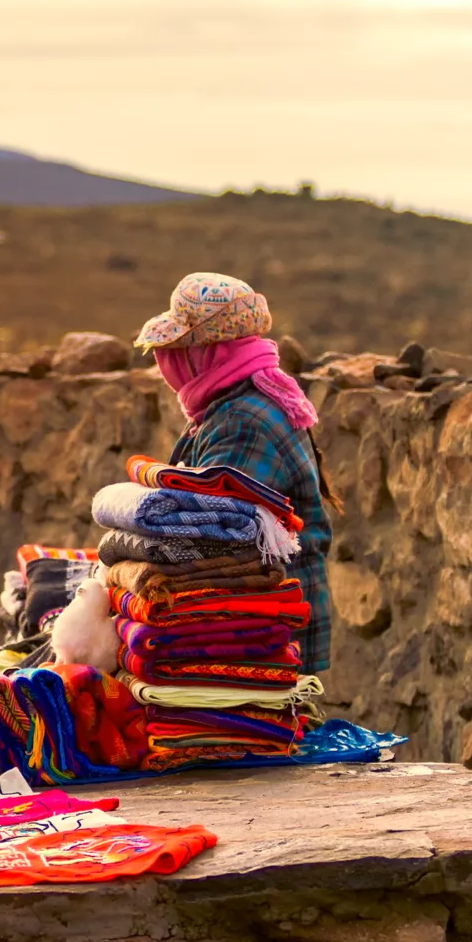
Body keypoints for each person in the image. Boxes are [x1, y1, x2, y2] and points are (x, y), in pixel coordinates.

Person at [135, 272, 336, 674]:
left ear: (209, 354)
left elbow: (215, 538)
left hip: (263, 630)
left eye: (178, 349)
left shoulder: (242, 419)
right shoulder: (235, 404)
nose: (167, 362)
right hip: (263, 620)